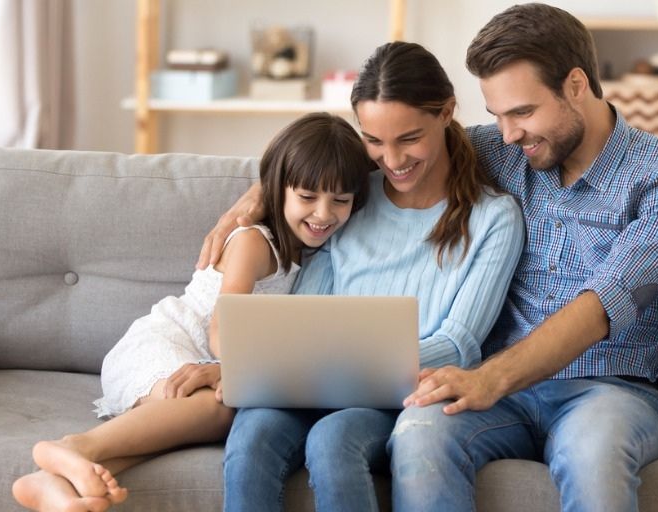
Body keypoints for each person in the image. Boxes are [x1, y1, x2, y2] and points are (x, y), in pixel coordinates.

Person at [388, 4, 658, 511]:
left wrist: (489, 378)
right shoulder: (504, 152)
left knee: (593, 451)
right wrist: (264, 195)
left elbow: (600, 308)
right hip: (503, 395)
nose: (508, 133)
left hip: (612, 392)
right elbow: (398, 153)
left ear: (577, 85)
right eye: (497, 115)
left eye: (522, 112)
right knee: (419, 429)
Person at [208, 42, 525, 512]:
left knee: (335, 440)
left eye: (408, 138)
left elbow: (460, 343)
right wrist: (248, 363)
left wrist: (347, 364)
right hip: (313, 376)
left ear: (447, 113)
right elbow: (304, 308)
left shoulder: (493, 217)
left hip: (397, 393)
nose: (392, 159)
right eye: (374, 141)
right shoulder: (350, 197)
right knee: (251, 433)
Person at [11, 112, 373, 512]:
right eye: (307, 198)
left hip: (199, 361)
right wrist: (238, 369)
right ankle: (74, 445)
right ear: (277, 189)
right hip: (163, 344)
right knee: (222, 408)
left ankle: (49, 481)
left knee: (203, 421)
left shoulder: (308, 251)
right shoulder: (255, 242)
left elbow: (378, 156)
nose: (324, 214)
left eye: (340, 201)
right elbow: (223, 328)